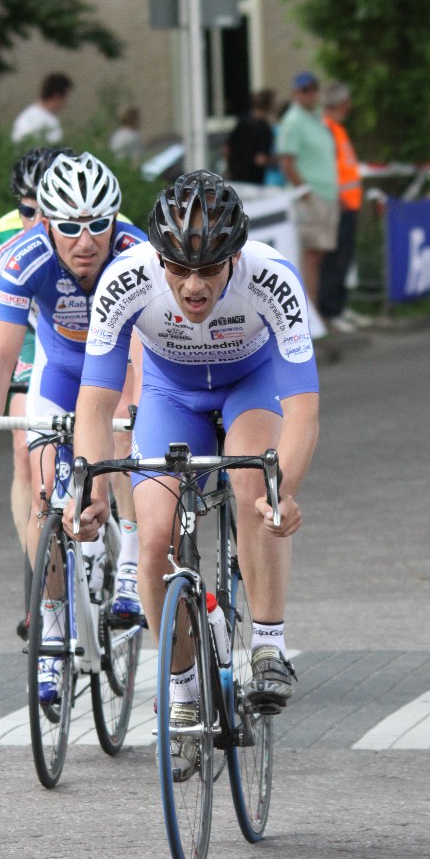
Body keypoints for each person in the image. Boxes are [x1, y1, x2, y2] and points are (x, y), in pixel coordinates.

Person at [66, 172, 319, 756]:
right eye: (179, 268)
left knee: (255, 484)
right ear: (159, 257)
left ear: (236, 257)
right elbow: (95, 406)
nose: (195, 284)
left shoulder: (272, 276)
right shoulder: (125, 280)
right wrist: (90, 492)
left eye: (210, 268)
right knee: (154, 539)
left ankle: (269, 644)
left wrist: (284, 492)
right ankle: (180, 692)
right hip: (170, 395)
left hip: (250, 384)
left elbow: (304, 411)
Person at [0, 153, 147, 702]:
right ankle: (53, 626)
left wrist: (131, 422)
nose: (85, 241)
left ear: (115, 219)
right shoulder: (21, 257)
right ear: (45, 222)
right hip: (59, 368)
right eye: (68, 226)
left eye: (98, 224)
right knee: (44, 494)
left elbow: (140, 356)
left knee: (124, 436)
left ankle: (130, 564)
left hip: (123, 362)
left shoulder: (137, 254)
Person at [0, 145, 68, 636]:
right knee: (27, 447)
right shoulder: (1, 241)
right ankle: (43, 582)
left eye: (48, 211)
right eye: (28, 210)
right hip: (28, 335)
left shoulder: (98, 229)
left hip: (86, 334)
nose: (37, 222)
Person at [275, 72, 338, 308]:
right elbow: (287, 162)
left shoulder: (317, 118)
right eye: (304, 90)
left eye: (313, 89)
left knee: (318, 256)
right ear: (296, 93)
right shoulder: (293, 121)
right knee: (310, 256)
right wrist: (306, 192)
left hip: (325, 195)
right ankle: (306, 312)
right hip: (310, 198)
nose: (309, 94)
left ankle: (313, 310)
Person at [317, 83, 371, 333]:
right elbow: (328, 167)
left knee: (344, 258)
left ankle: (339, 306)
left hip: (348, 203)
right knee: (335, 259)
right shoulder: (327, 129)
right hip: (340, 204)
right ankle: (330, 310)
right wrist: (337, 196)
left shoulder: (336, 129)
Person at [225, 89, 277, 185]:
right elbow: (260, 160)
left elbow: (227, 149)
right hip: (253, 181)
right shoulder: (264, 129)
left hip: (235, 177)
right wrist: (276, 160)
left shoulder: (242, 121)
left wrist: (228, 169)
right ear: (269, 105)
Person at [11, 73, 74, 145]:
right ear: (56, 95)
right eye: (66, 97)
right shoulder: (31, 119)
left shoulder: (49, 117)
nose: (66, 103)